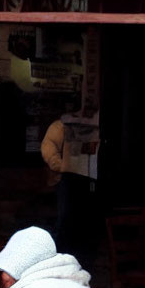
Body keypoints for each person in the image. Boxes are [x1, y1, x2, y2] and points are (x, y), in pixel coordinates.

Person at [40, 109, 100, 267]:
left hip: (88, 180)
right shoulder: (61, 126)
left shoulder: (94, 127)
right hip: (68, 180)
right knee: (66, 220)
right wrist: (62, 166)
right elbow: (49, 148)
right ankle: (63, 259)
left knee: (85, 221)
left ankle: (83, 260)